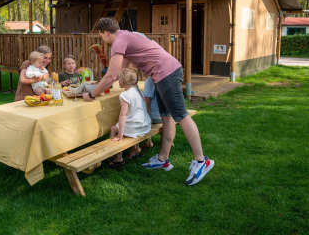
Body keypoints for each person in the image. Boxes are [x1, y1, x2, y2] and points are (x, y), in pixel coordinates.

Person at [83, 17, 214, 186]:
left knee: (181, 116)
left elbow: (112, 75)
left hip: (166, 73)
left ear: (105, 33)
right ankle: (163, 159)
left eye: (101, 36)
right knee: (166, 116)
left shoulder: (119, 41)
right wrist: (104, 82)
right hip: (162, 74)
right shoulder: (126, 36)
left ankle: (201, 161)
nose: (103, 39)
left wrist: (92, 94)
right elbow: (119, 71)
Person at [108, 68, 151, 168]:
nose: (117, 80)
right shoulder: (139, 91)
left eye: (119, 79)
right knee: (128, 123)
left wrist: (120, 134)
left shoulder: (125, 95)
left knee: (114, 129)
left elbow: (123, 115)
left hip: (135, 126)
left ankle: (118, 157)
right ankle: (136, 148)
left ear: (123, 81)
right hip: (145, 124)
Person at [141, 76, 162, 149]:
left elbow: (148, 102)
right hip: (166, 116)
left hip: (155, 117)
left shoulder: (150, 80)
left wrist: (146, 119)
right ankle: (167, 139)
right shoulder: (165, 77)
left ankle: (147, 142)